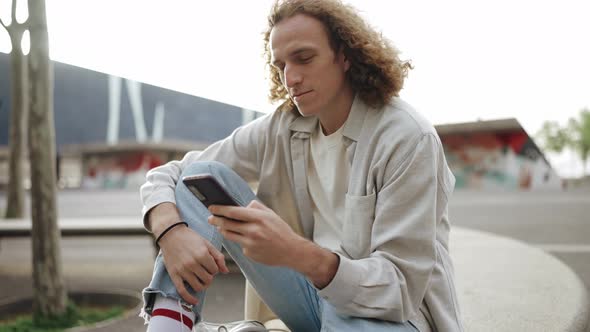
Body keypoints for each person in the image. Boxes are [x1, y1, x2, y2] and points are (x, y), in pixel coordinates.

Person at [139, 0, 464, 331]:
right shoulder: (283, 126)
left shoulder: (407, 136)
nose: (290, 78)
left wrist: (296, 252)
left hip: (388, 318)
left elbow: (399, 291)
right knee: (202, 176)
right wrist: (171, 231)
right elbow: (171, 173)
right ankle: (170, 322)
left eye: (304, 58)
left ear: (346, 55)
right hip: (311, 297)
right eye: (280, 65)